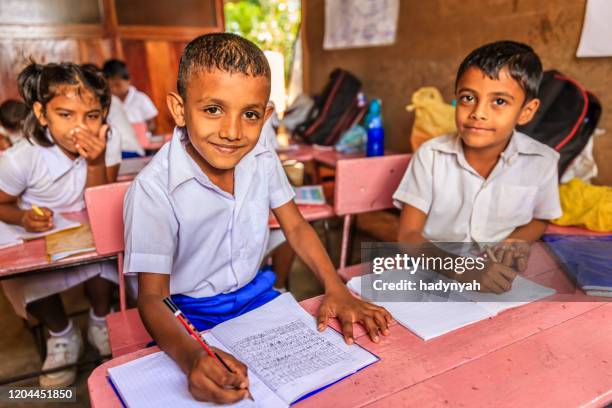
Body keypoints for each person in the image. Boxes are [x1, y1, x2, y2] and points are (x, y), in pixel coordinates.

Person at [124, 33, 392, 404]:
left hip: (257, 298)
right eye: (213, 109)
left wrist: (335, 287)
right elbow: (153, 298)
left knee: (345, 384)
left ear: (265, 116)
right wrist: (192, 358)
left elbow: (295, 225)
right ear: (180, 108)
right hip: (188, 314)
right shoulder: (153, 190)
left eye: (249, 114)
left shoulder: (261, 157)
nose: (233, 132)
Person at [395, 41, 562, 293]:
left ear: (526, 111)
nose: (478, 113)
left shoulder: (543, 160)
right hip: (433, 269)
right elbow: (408, 236)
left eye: (500, 101)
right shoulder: (430, 155)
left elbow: (540, 218)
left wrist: (516, 242)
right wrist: (462, 269)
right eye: (468, 98)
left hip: (500, 273)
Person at [0, 62, 121, 387]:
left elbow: (100, 201)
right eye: (66, 115)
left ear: (104, 115)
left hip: (88, 218)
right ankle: (62, 334)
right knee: (25, 275)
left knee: (108, 245)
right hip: (36, 229)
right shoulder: (22, 157)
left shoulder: (107, 140)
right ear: (41, 114)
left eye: (91, 116)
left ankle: (100, 319)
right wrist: (23, 217)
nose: (80, 128)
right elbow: (2, 204)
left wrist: (96, 160)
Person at [102, 59, 158, 134]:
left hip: (141, 142)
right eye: (110, 86)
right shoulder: (107, 102)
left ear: (128, 80)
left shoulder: (141, 99)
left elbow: (152, 124)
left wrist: (139, 130)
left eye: (117, 85)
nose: (114, 89)